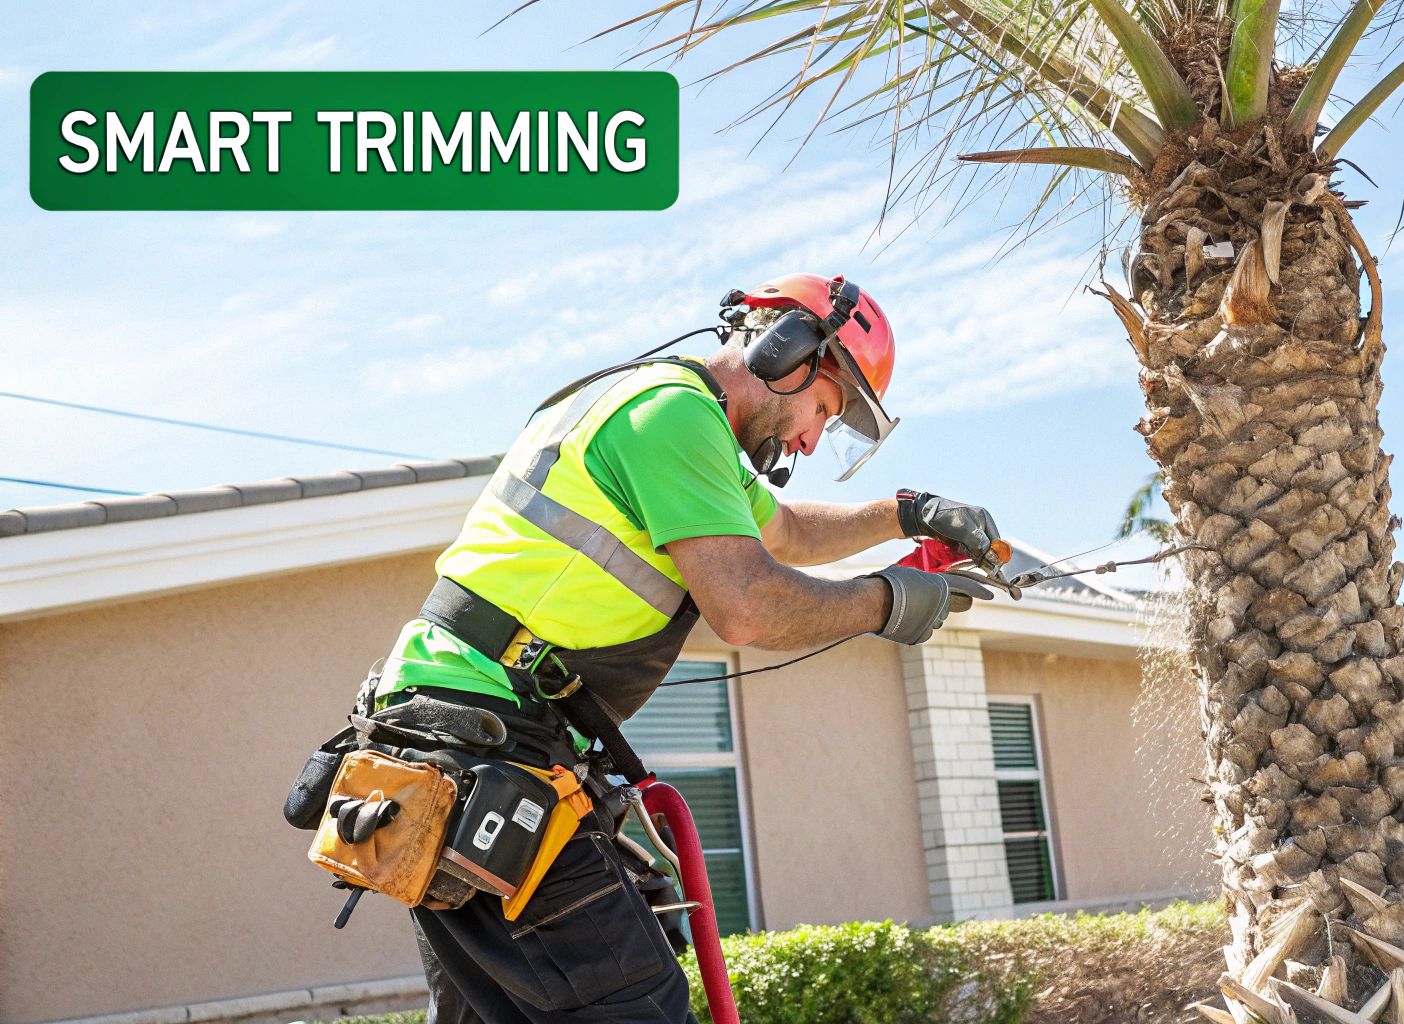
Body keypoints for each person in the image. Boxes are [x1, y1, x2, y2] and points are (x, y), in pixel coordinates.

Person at [371, 273, 1003, 1024]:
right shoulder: (671, 416)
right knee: (637, 1005)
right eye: (823, 410)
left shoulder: (659, 413)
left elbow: (790, 533)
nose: (809, 439)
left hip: (457, 739)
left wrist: (907, 514)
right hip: (482, 743)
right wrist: (887, 603)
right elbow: (745, 604)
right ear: (787, 348)